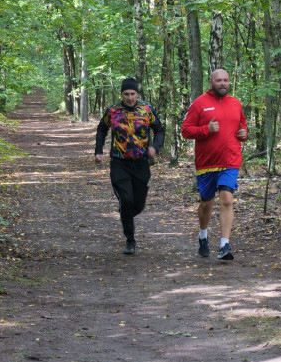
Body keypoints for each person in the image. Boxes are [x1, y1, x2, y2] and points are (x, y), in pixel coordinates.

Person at [181, 69, 249, 261]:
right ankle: (203, 236)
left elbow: (242, 127)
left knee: (227, 199)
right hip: (207, 163)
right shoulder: (199, 103)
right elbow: (185, 131)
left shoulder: (236, 104)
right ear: (210, 82)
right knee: (207, 203)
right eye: (218, 80)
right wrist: (206, 129)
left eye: (225, 80)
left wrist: (245, 134)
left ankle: (224, 245)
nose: (222, 83)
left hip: (230, 161)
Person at [94, 77, 165, 255]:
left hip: (141, 162)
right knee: (126, 200)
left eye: (133, 94)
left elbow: (159, 129)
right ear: (121, 94)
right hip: (119, 162)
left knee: (138, 205)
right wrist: (98, 151)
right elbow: (102, 128)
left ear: (137, 94)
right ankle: (130, 240)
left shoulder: (146, 109)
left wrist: (155, 147)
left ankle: (125, 213)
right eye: (126, 94)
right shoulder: (113, 111)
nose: (130, 98)